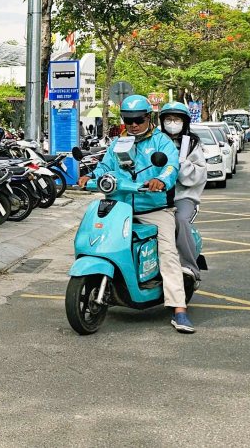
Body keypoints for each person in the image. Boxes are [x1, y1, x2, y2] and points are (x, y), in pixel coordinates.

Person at [77, 95, 194, 333]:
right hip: (119, 205)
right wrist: (91, 177)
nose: (133, 125)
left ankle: (179, 309)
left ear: (148, 118)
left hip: (153, 208)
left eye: (138, 119)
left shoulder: (162, 142)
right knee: (95, 236)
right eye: (127, 120)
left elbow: (172, 166)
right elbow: (106, 167)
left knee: (167, 252)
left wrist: (161, 180)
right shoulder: (118, 143)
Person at [159, 102, 207, 281]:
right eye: (168, 119)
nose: (172, 123)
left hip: (183, 195)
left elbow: (200, 174)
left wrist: (179, 163)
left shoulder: (191, 143)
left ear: (184, 122)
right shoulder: (156, 140)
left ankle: (189, 267)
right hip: (153, 195)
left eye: (176, 119)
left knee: (179, 220)